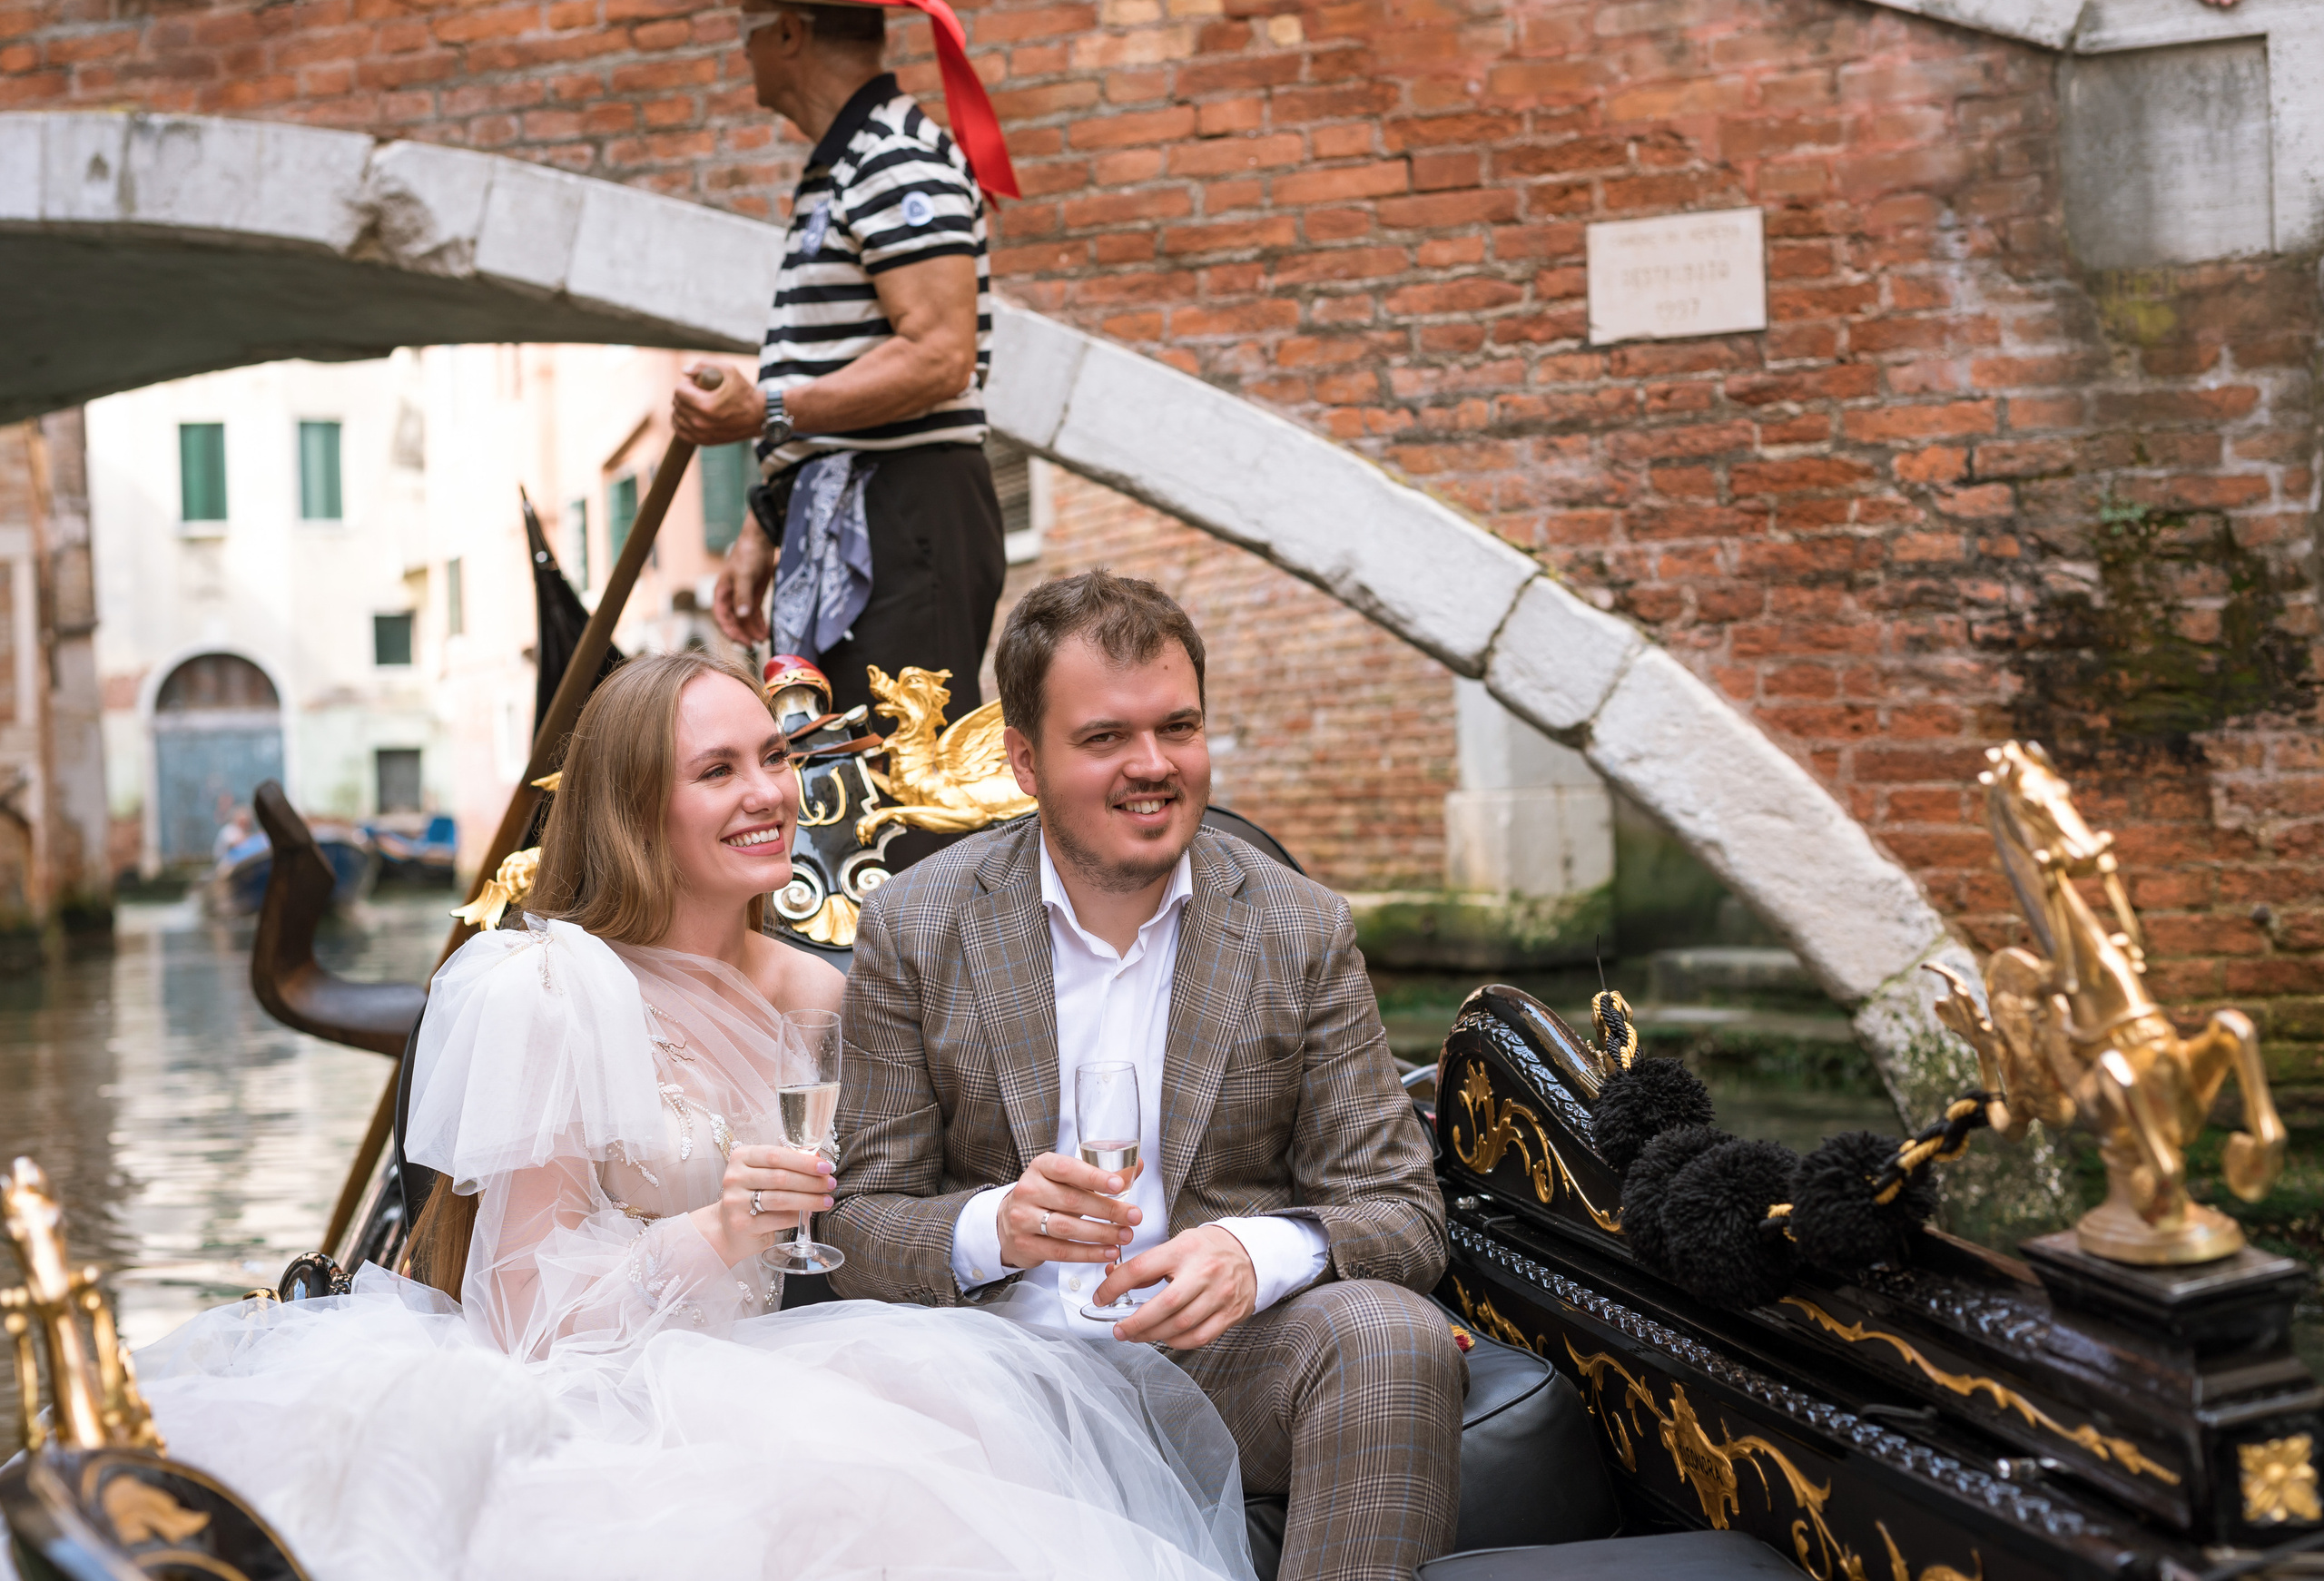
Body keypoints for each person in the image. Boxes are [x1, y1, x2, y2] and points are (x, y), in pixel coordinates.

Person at [128, 651, 1258, 1581]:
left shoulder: (831, 993)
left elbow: (892, 1208)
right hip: (591, 1402)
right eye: (717, 769)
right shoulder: (549, 990)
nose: (769, 793)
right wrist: (715, 1231)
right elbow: (521, 1313)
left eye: (774, 756)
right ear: (635, 807)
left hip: (785, 1358)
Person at [827, 572, 1467, 1581]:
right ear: (1024, 760)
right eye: (1106, 738)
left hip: (1218, 1361)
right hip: (990, 1366)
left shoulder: (1300, 926)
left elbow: (1401, 1211)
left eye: (1179, 726)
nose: (1154, 766)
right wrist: (989, 1225)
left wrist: (1257, 1251)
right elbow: (855, 1222)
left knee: (1391, 1334)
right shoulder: (917, 923)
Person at [680, 0, 1017, 732]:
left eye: (750, 32)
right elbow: (838, 356)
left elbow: (940, 356)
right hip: (854, 506)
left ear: (791, 32)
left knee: (905, 786)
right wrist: (764, 526)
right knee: (839, 774)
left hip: (903, 510)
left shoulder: (895, 156)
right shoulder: (844, 163)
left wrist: (765, 409)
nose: (744, 54)